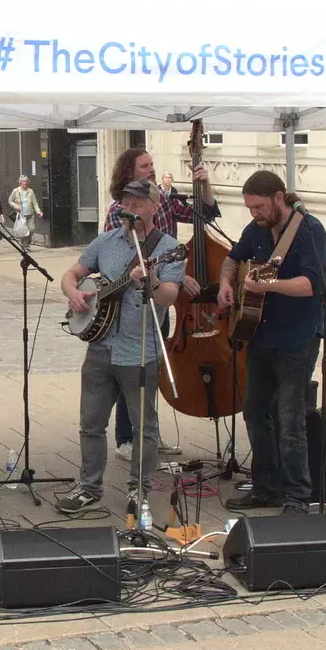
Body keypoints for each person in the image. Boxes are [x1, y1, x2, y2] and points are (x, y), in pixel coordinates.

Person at [56, 178, 183, 516]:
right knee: (91, 423)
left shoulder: (167, 246)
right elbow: (71, 274)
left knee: (145, 427)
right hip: (100, 348)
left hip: (139, 351)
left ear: (154, 206)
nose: (131, 207)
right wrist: (74, 293)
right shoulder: (106, 241)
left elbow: (170, 296)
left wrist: (151, 280)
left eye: (139, 202)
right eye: (127, 200)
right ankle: (89, 487)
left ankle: (138, 490)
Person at [217, 171, 326, 513]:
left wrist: (267, 287)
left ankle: (297, 496)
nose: (254, 214)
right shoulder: (257, 230)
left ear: (279, 198)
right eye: (250, 207)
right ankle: (266, 487)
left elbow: (312, 284)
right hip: (261, 334)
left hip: (298, 336)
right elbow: (233, 257)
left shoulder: (310, 230)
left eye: (259, 206)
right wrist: (226, 282)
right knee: (254, 410)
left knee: (290, 417)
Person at [103, 148, 215, 459]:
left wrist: (204, 184)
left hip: (161, 293)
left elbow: (206, 215)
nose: (152, 169)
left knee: (151, 370)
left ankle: (148, 434)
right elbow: (115, 258)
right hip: (130, 300)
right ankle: (126, 437)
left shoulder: (161, 200)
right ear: (129, 172)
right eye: (145, 166)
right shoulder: (119, 210)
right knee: (131, 369)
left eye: (152, 164)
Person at [8, 175, 41, 248]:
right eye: (23, 181)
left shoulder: (30, 191)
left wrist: (38, 212)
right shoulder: (16, 191)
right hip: (21, 214)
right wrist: (16, 206)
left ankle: (27, 242)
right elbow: (10, 201)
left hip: (30, 214)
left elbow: (35, 202)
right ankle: (25, 246)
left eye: (26, 181)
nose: (25, 183)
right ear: (20, 182)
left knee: (32, 229)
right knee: (23, 231)